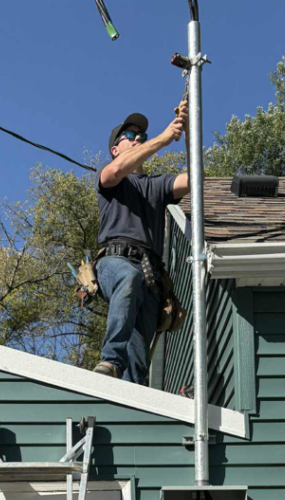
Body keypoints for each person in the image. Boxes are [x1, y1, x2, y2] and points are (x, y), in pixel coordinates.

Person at [92, 104, 190, 384]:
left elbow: (197, 179)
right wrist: (164, 137)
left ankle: (134, 400)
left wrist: (188, 126)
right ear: (115, 149)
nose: (138, 137)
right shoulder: (112, 180)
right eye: (130, 134)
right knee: (128, 277)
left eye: (142, 134)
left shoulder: (158, 185)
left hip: (151, 277)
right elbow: (115, 172)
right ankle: (110, 359)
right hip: (114, 262)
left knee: (138, 366)